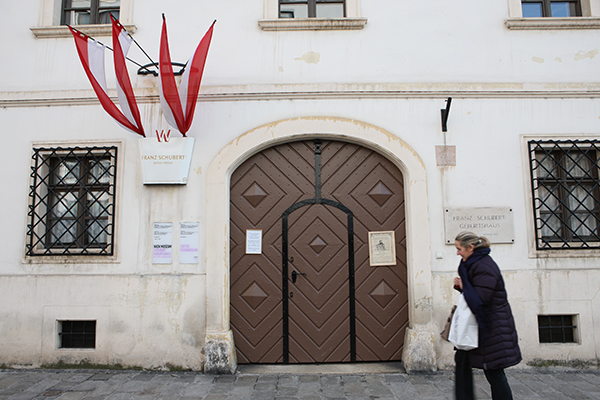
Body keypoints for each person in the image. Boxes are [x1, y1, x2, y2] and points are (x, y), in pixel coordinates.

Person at [452, 231, 521, 400]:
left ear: (471, 247)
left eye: (459, 248)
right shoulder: (472, 263)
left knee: (495, 373)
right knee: (463, 361)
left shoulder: (484, 266)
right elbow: (477, 294)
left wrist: (463, 287)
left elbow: (482, 298)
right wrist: (463, 287)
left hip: (492, 326)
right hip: (481, 324)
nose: (457, 253)